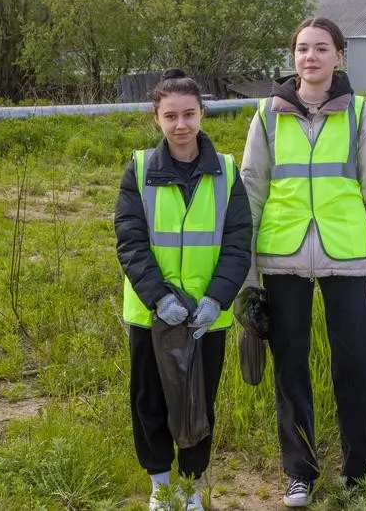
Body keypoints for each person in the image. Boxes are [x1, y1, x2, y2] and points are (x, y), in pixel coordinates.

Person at [240, 17, 366, 507]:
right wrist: (247, 278)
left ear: (339, 57)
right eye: (302, 49)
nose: (310, 57)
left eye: (321, 48)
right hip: (283, 260)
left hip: (348, 259)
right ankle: (300, 473)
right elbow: (249, 193)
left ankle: (358, 472)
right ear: (293, 58)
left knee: (358, 368)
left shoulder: (359, 115)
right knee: (291, 369)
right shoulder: (267, 115)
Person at [115, 69, 252, 511]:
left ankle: (190, 487)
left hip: (205, 318)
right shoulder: (138, 170)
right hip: (152, 314)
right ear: (156, 117)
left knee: (198, 404)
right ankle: (161, 485)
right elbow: (130, 241)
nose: (180, 125)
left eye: (189, 114)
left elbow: (237, 242)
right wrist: (159, 298)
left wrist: (217, 298)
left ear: (202, 113)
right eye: (170, 115)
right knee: (150, 399)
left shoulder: (228, 172)